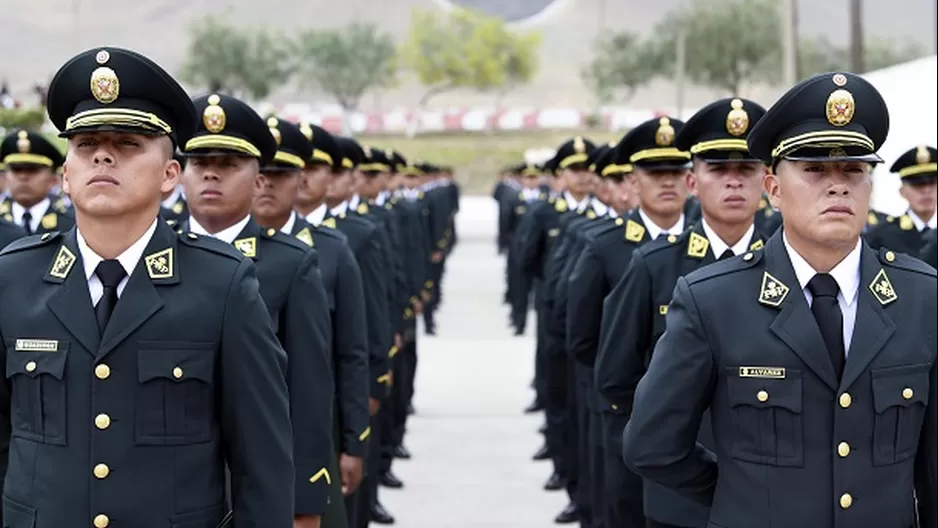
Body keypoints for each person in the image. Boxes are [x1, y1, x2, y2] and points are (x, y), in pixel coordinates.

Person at [623, 71, 937, 528]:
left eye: (854, 169)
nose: (838, 185)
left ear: (871, 186)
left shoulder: (921, 295)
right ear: (772, 189)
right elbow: (651, 445)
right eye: (814, 169)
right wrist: (739, 493)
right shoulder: (714, 300)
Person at [0, 46, 294, 527]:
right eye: (85, 143)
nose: (102, 154)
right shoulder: (13, 279)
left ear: (170, 174)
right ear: (66, 174)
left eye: (129, 143)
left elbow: (262, 465)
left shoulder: (222, 286)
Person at [602, 98, 768, 528]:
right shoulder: (653, 265)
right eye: (718, 170)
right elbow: (617, 378)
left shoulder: (793, 266)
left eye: (746, 169)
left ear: (767, 180)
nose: (734, 182)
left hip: (773, 490)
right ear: (693, 182)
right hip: (680, 493)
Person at [180, 96, 337, 528]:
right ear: (177, 173)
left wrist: (305, 501)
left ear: (257, 178)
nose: (210, 172)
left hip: (259, 483)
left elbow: (307, 392)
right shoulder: (155, 260)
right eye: (199, 161)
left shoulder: (291, 264)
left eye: (228, 162)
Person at [865, 145, 937, 258]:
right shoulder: (882, 236)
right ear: (902, 191)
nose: (926, 191)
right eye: (917, 184)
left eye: (932, 183)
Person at [0, 129, 73, 235]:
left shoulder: (71, 224)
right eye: (16, 170)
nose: (23, 177)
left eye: (32, 170)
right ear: (5, 175)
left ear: (53, 178)